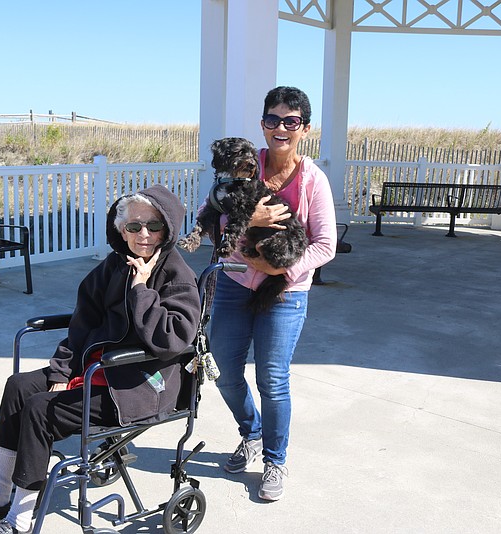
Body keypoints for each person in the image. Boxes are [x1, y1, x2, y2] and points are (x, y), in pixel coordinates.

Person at [0, 184, 201, 534]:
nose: (143, 234)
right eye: (133, 226)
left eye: (154, 226)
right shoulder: (113, 266)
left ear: (169, 228)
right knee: (19, 386)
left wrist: (142, 290)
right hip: (97, 368)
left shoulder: (177, 274)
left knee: (41, 410)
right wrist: (63, 368)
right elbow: (82, 324)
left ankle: (20, 521)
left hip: (143, 382)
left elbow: (173, 339)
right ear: (121, 230)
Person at [209, 86, 336, 501]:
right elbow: (207, 218)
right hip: (233, 284)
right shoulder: (242, 164)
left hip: (285, 293)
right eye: (272, 120)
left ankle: (274, 460)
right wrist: (250, 221)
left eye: (291, 121)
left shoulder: (314, 180)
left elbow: (325, 245)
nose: (280, 128)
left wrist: (280, 267)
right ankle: (251, 432)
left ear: (304, 128)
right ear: (262, 124)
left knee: (272, 380)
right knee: (225, 372)